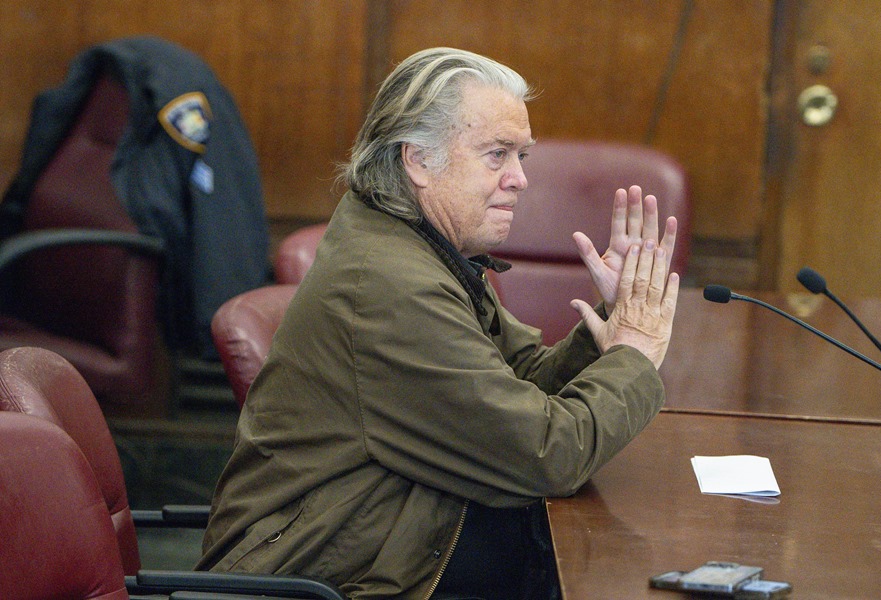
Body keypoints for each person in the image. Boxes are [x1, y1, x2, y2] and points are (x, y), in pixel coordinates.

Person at [199, 47, 679, 599]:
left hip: (396, 533)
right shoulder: (389, 284)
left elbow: (518, 378)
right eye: (496, 155)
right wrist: (635, 354)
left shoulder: (415, 241)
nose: (520, 179)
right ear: (418, 161)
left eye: (521, 155)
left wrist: (613, 324)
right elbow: (550, 454)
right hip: (334, 574)